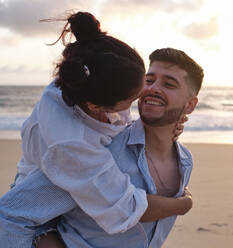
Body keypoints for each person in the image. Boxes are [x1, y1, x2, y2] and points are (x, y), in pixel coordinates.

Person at [0, 12, 193, 246]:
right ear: (96, 106)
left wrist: (166, 126)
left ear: (191, 104)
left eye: (169, 84)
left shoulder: (184, 161)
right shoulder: (85, 154)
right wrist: (183, 205)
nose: (147, 91)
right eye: (148, 81)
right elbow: (11, 216)